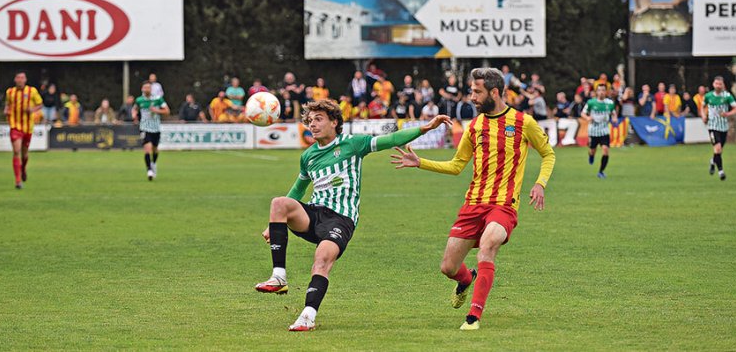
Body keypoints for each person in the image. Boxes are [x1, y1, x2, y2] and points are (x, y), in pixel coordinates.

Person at [255, 98, 452, 331]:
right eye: (310, 121)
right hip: (314, 214)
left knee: (321, 261)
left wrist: (425, 127)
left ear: (334, 122)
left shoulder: (353, 144)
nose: (313, 124)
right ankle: (279, 277)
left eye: (319, 119)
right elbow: (298, 191)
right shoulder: (307, 156)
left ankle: (307, 316)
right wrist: (274, 223)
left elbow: (391, 139)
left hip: (341, 219)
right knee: (279, 202)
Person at [389, 67, 555, 331]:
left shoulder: (524, 122)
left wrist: (540, 184)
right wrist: (420, 162)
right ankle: (466, 280)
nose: (472, 98)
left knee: (489, 245)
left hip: (503, 206)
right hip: (473, 205)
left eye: (477, 92)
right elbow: (456, 166)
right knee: (448, 267)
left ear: (495, 92)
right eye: (471, 92)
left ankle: (474, 316)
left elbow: (548, 154)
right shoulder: (475, 126)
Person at [4, 72, 43, 189]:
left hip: (27, 127)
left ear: (25, 80)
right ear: (15, 80)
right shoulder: (9, 92)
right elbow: (7, 104)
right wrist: (6, 110)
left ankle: (23, 168)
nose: (20, 80)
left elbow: (40, 104)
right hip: (15, 126)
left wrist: (32, 109)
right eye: (18, 78)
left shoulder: (32, 91)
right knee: (16, 151)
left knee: (24, 154)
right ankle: (17, 181)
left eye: (22, 78)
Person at [701, 76, 736, 180]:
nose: (718, 86)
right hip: (713, 126)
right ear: (713, 84)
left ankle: (712, 161)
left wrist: (727, 114)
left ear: (723, 85)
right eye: (716, 83)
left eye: (720, 84)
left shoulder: (727, 96)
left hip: (723, 127)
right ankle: (721, 172)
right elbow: (702, 106)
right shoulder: (708, 96)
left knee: (719, 151)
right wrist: (704, 116)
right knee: (717, 148)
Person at [132, 81, 170, 180]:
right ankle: (149, 170)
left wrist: (156, 110)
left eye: (148, 88)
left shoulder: (158, 99)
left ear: (151, 89)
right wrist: (134, 115)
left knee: (155, 149)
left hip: (156, 128)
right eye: (145, 88)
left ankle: (153, 164)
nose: (146, 89)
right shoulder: (139, 100)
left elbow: (167, 111)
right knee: (147, 148)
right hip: (144, 127)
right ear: (142, 89)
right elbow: (135, 109)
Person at [581, 84, 617, 179]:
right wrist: (588, 117)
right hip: (593, 131)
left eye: (603, 90)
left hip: (604, 131)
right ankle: (591, 155)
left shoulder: (609, 103)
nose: (601, 92)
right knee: (592, 151)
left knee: (605, 151)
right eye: (599, 90)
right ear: (596, 92)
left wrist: (614, 118)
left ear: (606, 92)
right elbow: (583, 113)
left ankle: (601, 172)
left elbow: (613, 113)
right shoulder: (591, 102)